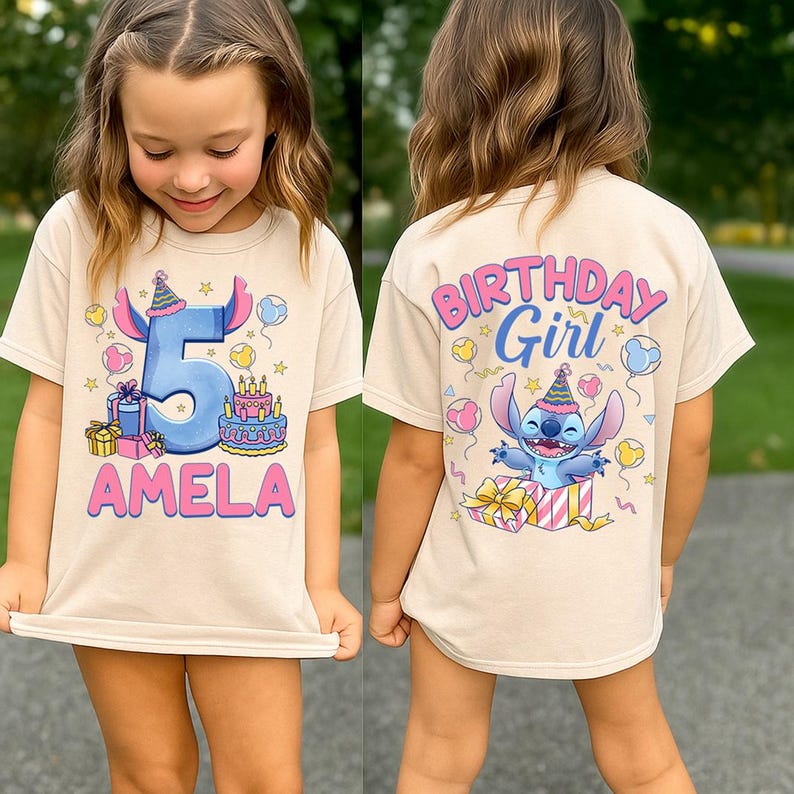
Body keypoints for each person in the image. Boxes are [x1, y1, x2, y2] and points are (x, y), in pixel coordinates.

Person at [364, 0, 753, 791]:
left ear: (463, 83)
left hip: (466, 575)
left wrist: (383, 587)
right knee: (643, 758)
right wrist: (662, 557)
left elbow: (414, 457)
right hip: (606, 575)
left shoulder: (431, 247)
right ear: (613, 85)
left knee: (438, 758)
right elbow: (692, 438)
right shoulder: (669, 236)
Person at [0, 1, 362, 791]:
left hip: (252, 592)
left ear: (277, 116)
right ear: (114, 127)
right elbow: (46, 412)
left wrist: (321, 584)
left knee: (264, 778)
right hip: (114, 584)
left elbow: (317, 440)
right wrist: (24, 558)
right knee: (147, 773)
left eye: (223, 148)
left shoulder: (312, 255)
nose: (191, 178)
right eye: (156, 150)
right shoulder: (75, 234)